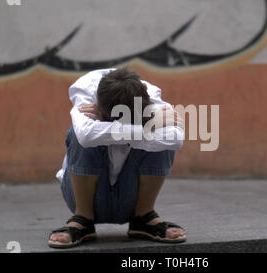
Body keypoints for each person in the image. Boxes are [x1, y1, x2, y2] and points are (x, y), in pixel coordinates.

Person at [48, 67, 186, 248]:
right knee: (75, 134)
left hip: (133, 198)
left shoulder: (149, 96)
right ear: (99, 104)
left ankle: (143, 217)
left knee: (164, 140)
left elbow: (176, 139)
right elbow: (85, 135)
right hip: (87, 197)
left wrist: (144, 119)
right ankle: (82, 219)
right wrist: (149, 124)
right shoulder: (86, 91)